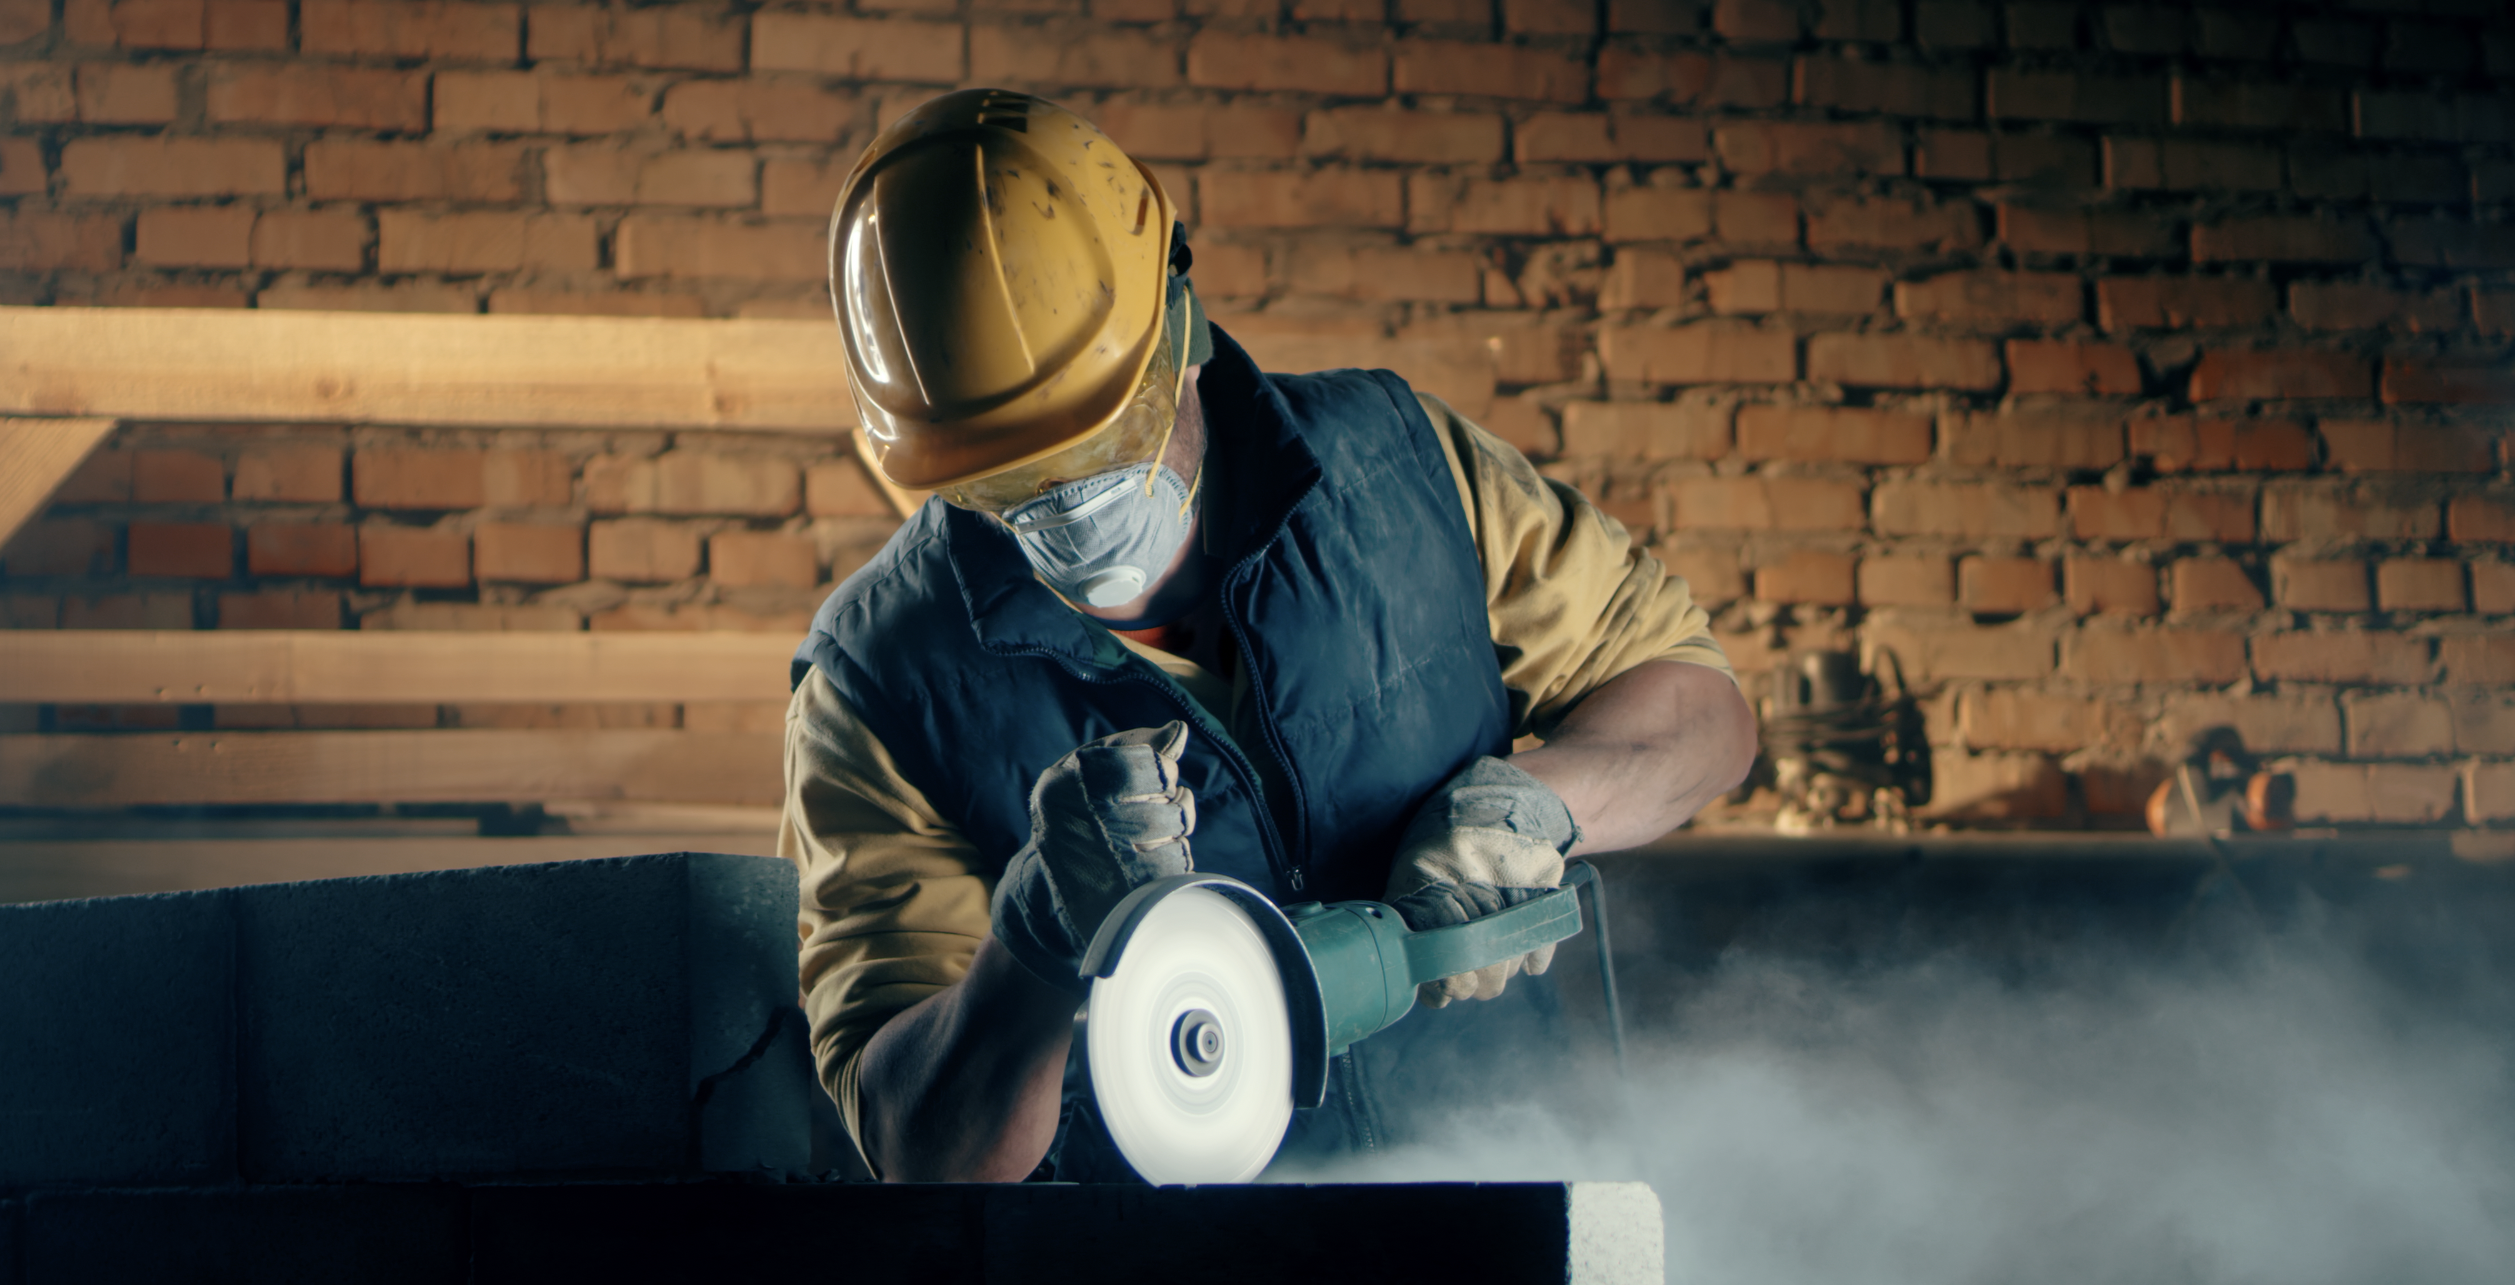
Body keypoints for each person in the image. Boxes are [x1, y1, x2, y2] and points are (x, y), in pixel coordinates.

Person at [781, 88, 1758, 1183]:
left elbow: (1703, 716)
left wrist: (1540, 805)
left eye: (1105, 437)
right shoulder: (875, 679)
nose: (1068, 501)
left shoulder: (1405, 471)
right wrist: (1036, 943)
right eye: (1005, 481)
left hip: (1517, 1194)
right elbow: (921, 1148)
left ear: (1181, 331)